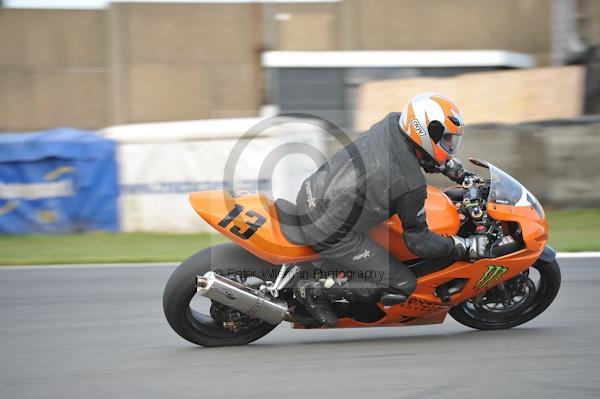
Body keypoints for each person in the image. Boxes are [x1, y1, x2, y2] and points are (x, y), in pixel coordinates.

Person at [293, 92, 489, 326]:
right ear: (428, 134)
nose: (450, 145)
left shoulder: (391, 123)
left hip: (311, 192)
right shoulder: (410, 185)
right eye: (447, 139)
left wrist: (454, 170)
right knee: (402, 283)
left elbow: (418, 154)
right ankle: (316, 291)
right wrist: (461, 245)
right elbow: (419, 242)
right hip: (328, 230)